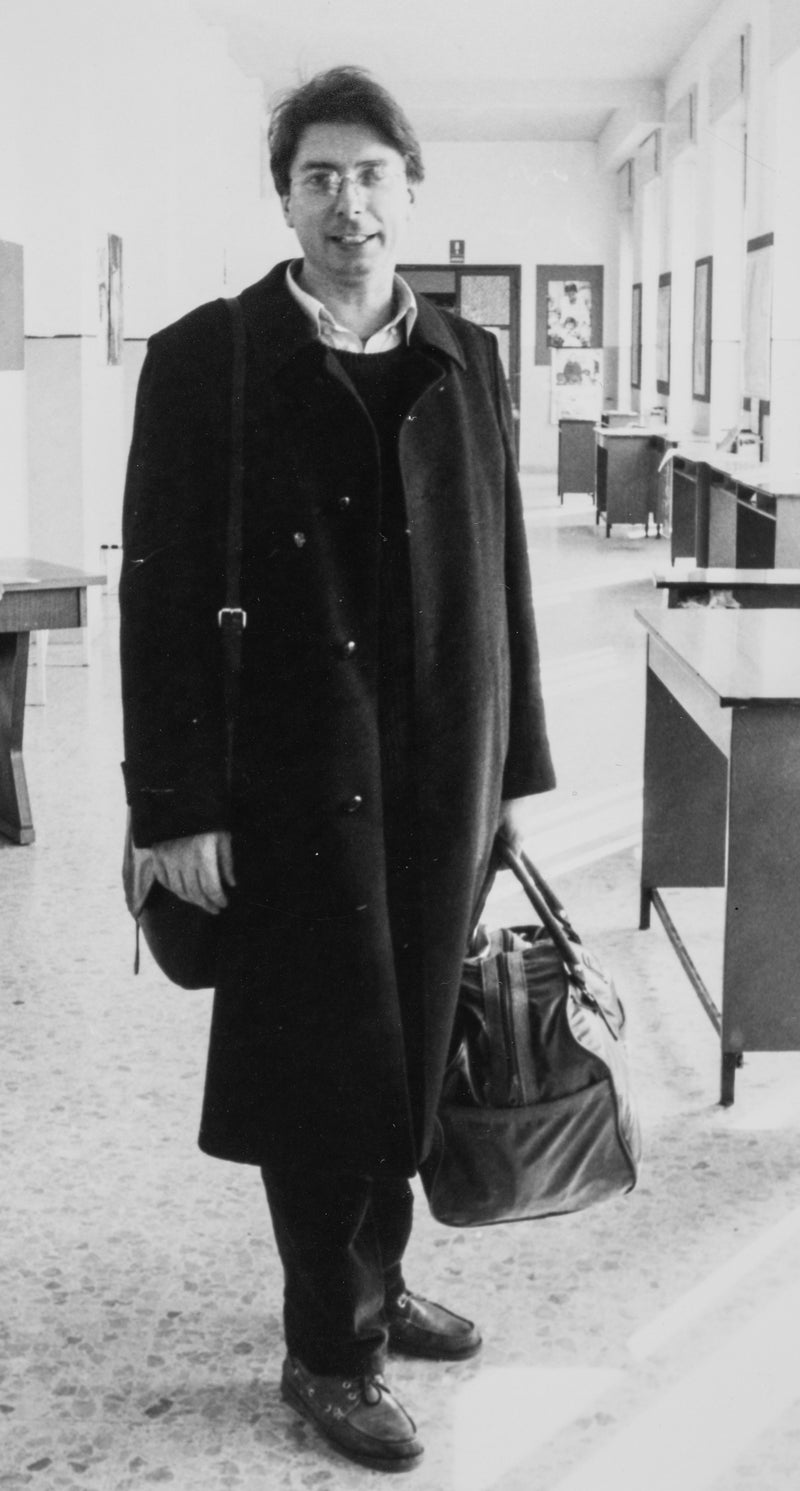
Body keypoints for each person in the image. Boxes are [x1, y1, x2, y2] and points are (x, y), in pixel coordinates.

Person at [120, 65, 555, 1473]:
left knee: (413, 1043)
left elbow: (504, 567)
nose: (348, 202)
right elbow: (158, 595)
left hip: (442, 765)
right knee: (320, 1059)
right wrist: (173, 806)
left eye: (371, 174)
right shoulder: (210, 358)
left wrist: (516, 767)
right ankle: (329, 1348)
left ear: (410, 190)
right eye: (319, 177)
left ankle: (378, 1275)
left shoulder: (468, 357)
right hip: (289, 780)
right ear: (287, 201)